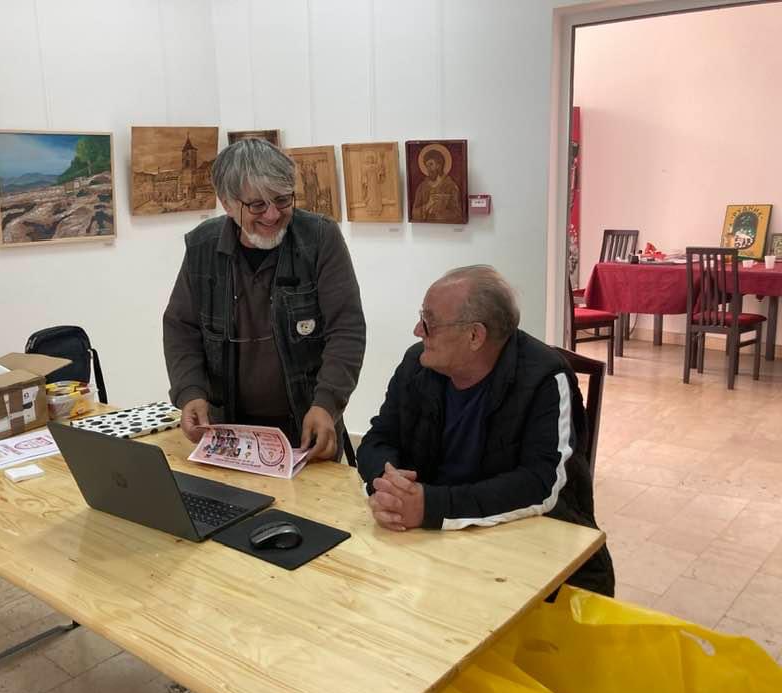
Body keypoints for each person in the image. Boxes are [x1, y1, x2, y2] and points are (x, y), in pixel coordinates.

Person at [357, 266, 614, 595]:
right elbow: (378, 438)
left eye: (429, 322)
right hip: (434, 548)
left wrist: (431, 506)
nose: (417, 330)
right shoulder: (417, 364)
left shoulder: (545, 378)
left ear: (475, 336)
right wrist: (387, 484)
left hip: (529, 555)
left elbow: (540, 484)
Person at [164, 138, 366, 461]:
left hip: (306, 424)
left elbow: (346, 329)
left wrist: (327, 403)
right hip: (227, 429)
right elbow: (181, 327)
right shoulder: (203, 247)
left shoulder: (320, 239)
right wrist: (190, 391)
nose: (272, 215)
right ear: (227, 204)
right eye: (257, 205)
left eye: (283, 200)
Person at [411, 148, 463, 223]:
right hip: (425, 227)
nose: (428, 169)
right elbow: (414, 213)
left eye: (431, 164)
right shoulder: (422, 187)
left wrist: (438, 211)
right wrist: (428, 205)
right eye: (426, 166)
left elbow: (458, 214)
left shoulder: (451, 186)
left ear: (439, 165)